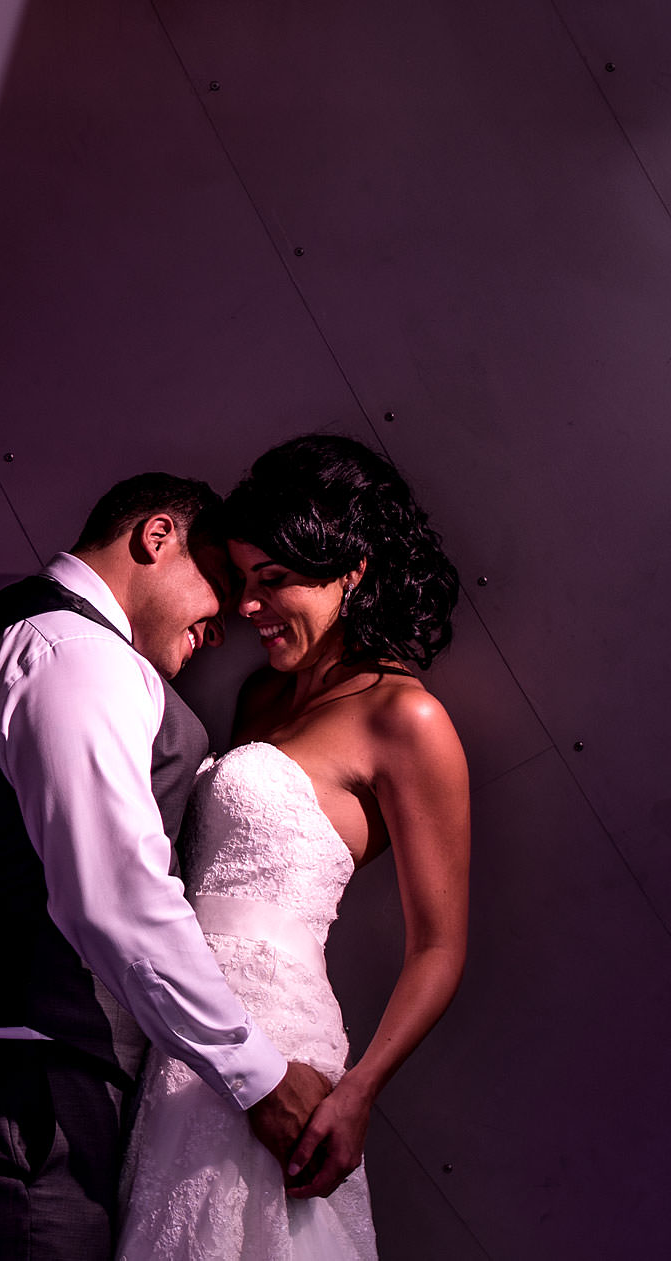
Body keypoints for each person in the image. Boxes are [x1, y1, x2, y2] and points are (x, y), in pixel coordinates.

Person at [0, 474, 333, 1259]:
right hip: (2, 1085)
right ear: (156, 538)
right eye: (221, 579)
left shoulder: (60, 642)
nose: (228, 622)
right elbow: (118, 895)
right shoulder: (72, 652)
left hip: (4, 1074)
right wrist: (258, 1076)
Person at [119, 435, 469, 1260]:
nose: (246, 605)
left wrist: (359, 1091)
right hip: (179, 1029)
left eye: (272, 579)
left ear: (351, 567)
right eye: (243, 580)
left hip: (281, 1039)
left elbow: (441, 946)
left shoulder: (406, 720)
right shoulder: (260, 692)